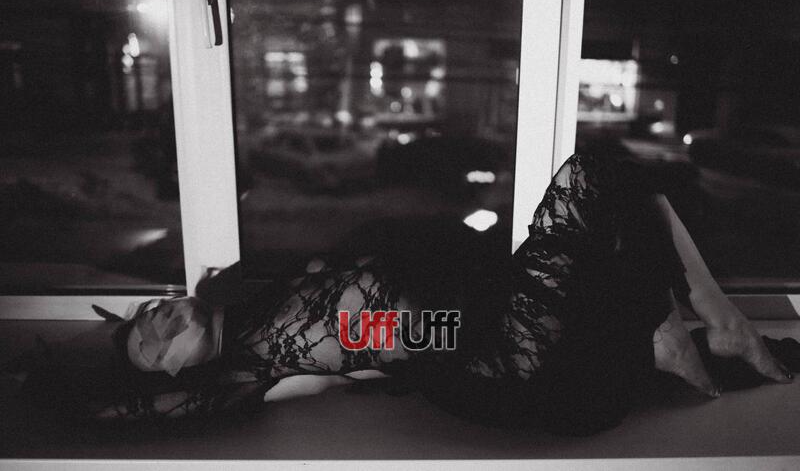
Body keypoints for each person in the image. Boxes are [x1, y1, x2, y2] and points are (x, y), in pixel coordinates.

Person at [17, 153, 796, 436]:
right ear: (178, 373)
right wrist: (52, 384)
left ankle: (704, 326)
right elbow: (126, 414)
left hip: (505, 327)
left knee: (620, 187)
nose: (156, 320)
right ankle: (682, 328)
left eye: (148, 315)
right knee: (593, 184)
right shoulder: (241, 372)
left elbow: (406, 313)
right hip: (500, 358)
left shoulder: (263, 292)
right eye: (152, 343)